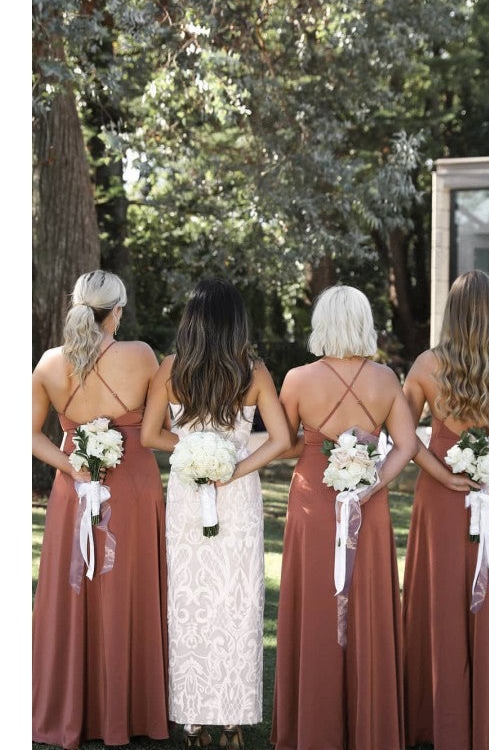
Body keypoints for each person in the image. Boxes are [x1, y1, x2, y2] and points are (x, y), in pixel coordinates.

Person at [140, 277, 291, 750]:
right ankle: (232, 725)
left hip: (188, 493)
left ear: (192, 321)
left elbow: (149, 435)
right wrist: (234, 466)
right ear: (236, 321)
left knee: (189, 599)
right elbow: (282, 439)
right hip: (238, 496)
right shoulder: (253, 371)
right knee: (236, 600)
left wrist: (190, 449)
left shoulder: (171, 368)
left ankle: (192, 724)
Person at [270, 284, 418, 750]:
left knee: (315, 602)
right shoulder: (386, 379)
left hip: (313, 501)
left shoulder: (297, 378)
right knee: (365, 603)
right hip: (367, 506)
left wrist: (317, 442)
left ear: (322, 324)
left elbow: (285, 443)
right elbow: (407, 445)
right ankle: (369, 726)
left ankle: (313, 727)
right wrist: (374, 484)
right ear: (363, 323)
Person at [32, 270, 170, 750]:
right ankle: (133, 711)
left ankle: (73, 708)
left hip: (73, 492)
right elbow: (163, 423)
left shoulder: (50, 362)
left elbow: (28, 434)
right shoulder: (142, 355)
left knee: (75, 594)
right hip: (133, 489)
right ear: (117, 311)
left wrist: (72, 466)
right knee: (130, 590)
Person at [401, 269, 489, 750]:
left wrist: (442, 473)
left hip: (439, 493)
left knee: (440, 595)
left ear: (452, 313)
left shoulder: (425, 365)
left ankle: (435, 720)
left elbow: (403, 437)